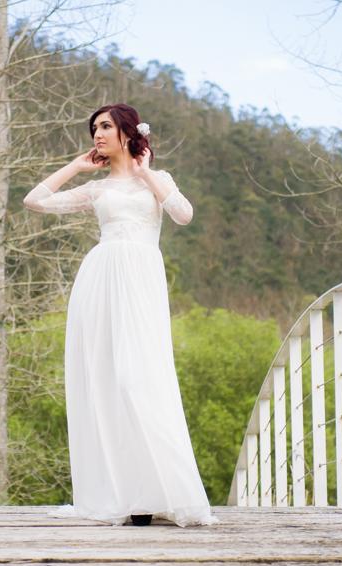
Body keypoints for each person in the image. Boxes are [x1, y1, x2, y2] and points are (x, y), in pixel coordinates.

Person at [22, 103, 219, 528]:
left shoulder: (159, 179)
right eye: (94, 128)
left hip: (142, 281)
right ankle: (124, 495)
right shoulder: (97, 190)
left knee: (139, 378)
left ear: (128, 132)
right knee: (107, 380)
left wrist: (146, 173)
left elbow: (183, 215)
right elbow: (34, 201)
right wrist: (76, 167)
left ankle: (154, 492)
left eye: (106, 126)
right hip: (101, 281)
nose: (98, 134)